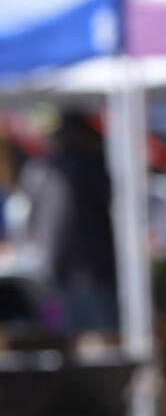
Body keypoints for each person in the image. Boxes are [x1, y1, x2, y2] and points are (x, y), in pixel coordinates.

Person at [18, 109, 118, 334]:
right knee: (105, 335)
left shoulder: (36, 169)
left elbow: (30, 223)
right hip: (91, 265)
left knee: (68, 337)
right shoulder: (87, 164)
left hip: (56, 266)